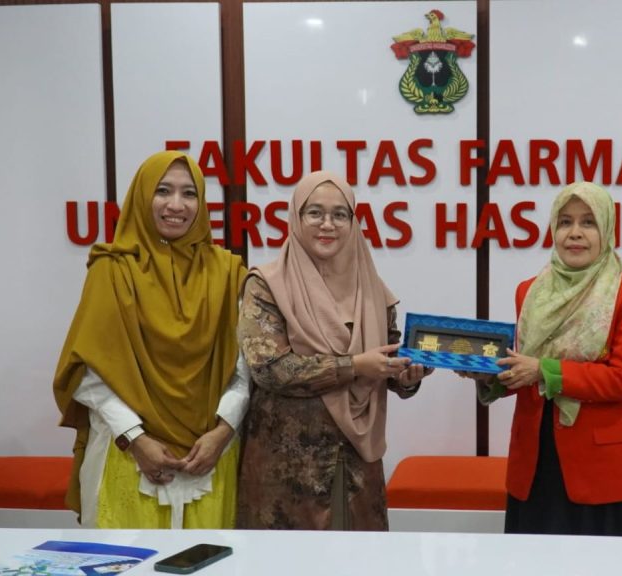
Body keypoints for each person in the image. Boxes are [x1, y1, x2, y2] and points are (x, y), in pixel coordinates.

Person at [53, 150, 249, 529]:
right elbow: (88, 372)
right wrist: (136, 438)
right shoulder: (111, 270)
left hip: (210, 458)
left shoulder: (228, 273)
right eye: (163, 190)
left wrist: (222, 434)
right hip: (126, 456)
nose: (176, 205)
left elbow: (245, 370)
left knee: (211, 557)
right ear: (142, 196)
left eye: (189, 193)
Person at [236, 170, 430, 531]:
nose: (328, 224)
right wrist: (354, 366)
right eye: (315, 213)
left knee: (360, 558)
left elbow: (387, 361)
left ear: (353, 222)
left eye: (340, 214)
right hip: (288, 471)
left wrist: (405, 376)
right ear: (296, 217)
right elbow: (269, 369)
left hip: (359, 464)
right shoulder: (266, 285)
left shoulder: (372, 290)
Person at [463, 181, 622, 536]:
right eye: (565, 222)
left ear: (607, 228)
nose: (575, 233)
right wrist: (488, 375)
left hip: (599, 469)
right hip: (535, 461)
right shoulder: (530, 291)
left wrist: (543, 370)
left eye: (588, 222)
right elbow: (524, 370)